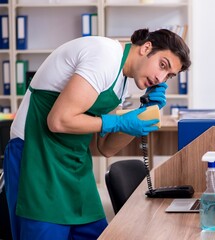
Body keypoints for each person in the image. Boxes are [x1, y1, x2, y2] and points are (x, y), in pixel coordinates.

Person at [4, 28, 191, 240]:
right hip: (36, 159)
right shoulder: (105, 55)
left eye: (169, 75)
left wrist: (142, 113)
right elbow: (58, 120)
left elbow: (105, 148)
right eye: (162, 65)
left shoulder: (121, 85)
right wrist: (120, 121)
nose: (160, 77)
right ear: (146, 48)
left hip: (73, 165)